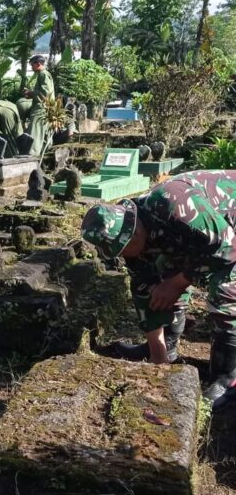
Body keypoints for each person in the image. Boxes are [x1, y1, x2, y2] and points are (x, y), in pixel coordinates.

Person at [81, 171, 236, 410]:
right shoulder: (132, 237)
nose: (125, 255)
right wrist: (158, 354)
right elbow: (143, 286)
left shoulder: (173, 205)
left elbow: (227, 248)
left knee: (225, 289)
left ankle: (226, 377)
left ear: (135, 231)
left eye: (124, 248)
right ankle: (169, 347)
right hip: (206, 237)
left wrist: (176, 284)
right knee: (162, 271)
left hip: (228, 233)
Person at [23, 55, 54, 156]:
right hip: (44, 107)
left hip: (41, 108)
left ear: (38, 64)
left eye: (32, 65)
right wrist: (31, 94)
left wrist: (31, 93)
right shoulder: (43, 74)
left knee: (35, 130)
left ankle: (32, 154)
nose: (31, 67)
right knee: (42, 131)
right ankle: (44, 152)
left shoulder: (43, 74)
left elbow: (46, 93)